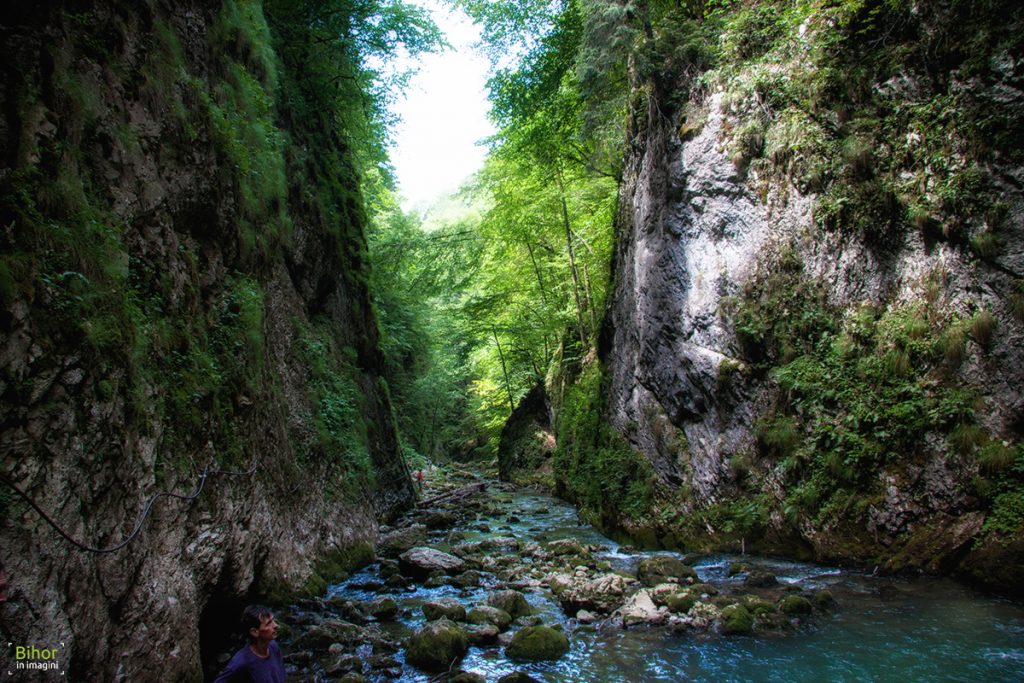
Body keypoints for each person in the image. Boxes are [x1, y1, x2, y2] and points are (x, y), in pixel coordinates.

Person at [213, 604, 285, 683]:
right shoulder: (241, 663)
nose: (276, 625)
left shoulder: (273, 646)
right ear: (254, 632)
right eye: (269, 623)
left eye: (273, 620)